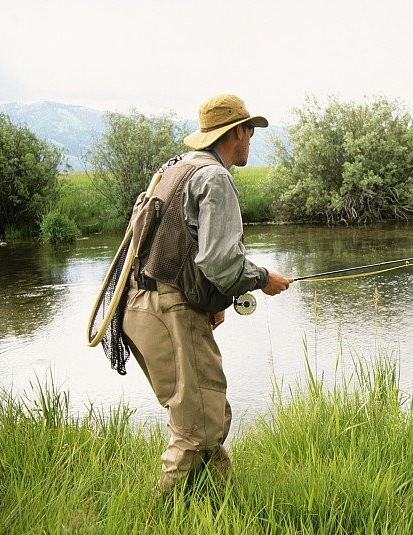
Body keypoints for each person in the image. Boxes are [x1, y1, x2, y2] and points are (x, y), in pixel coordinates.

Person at [122, 93, 290, 493]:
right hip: (170, 310)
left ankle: (226, 504)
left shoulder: (175, 168)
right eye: (250, 130)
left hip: (140, 306)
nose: (252, 138)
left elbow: (178, 248)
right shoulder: (215, 178)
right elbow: (220, 263)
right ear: (236, 133)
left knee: (203, 417)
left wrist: (213, 302)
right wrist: (263, 278)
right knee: (197, 429)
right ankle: (157, 518)